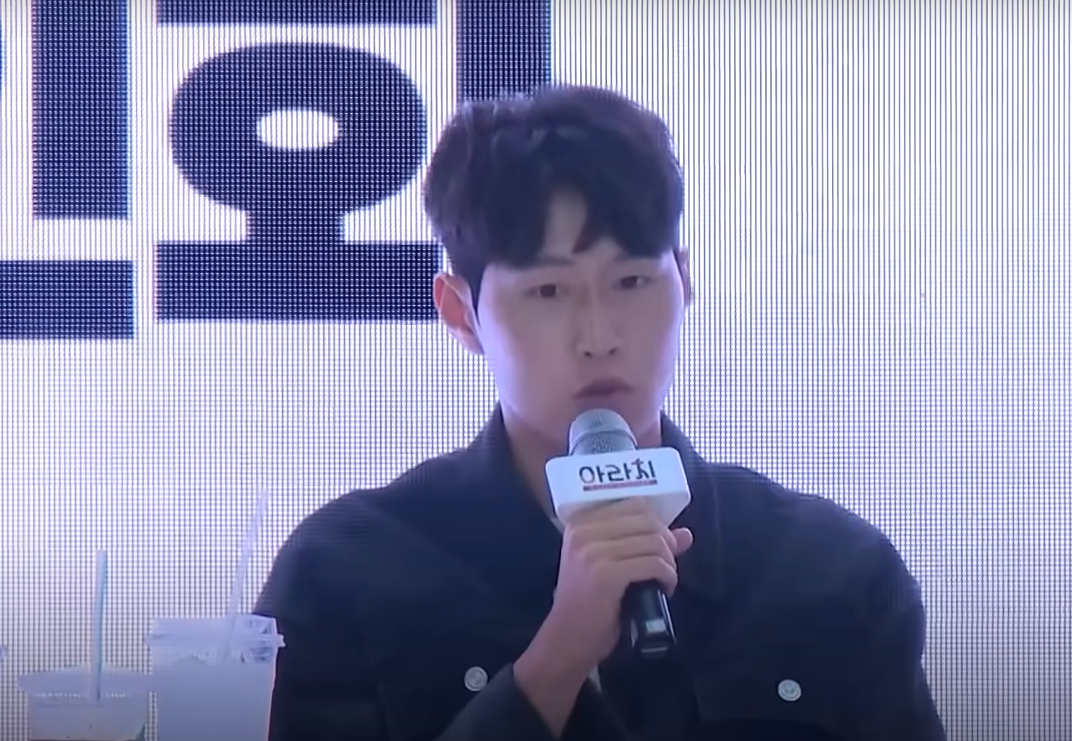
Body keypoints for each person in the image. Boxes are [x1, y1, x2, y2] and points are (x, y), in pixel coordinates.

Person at [254, 84, 946, 741]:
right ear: (461, 313)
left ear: (683, 280)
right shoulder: (346, 574)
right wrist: (556, 660)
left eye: (632, 281)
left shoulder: (829, 570)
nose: (599, 335)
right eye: (549, 291)